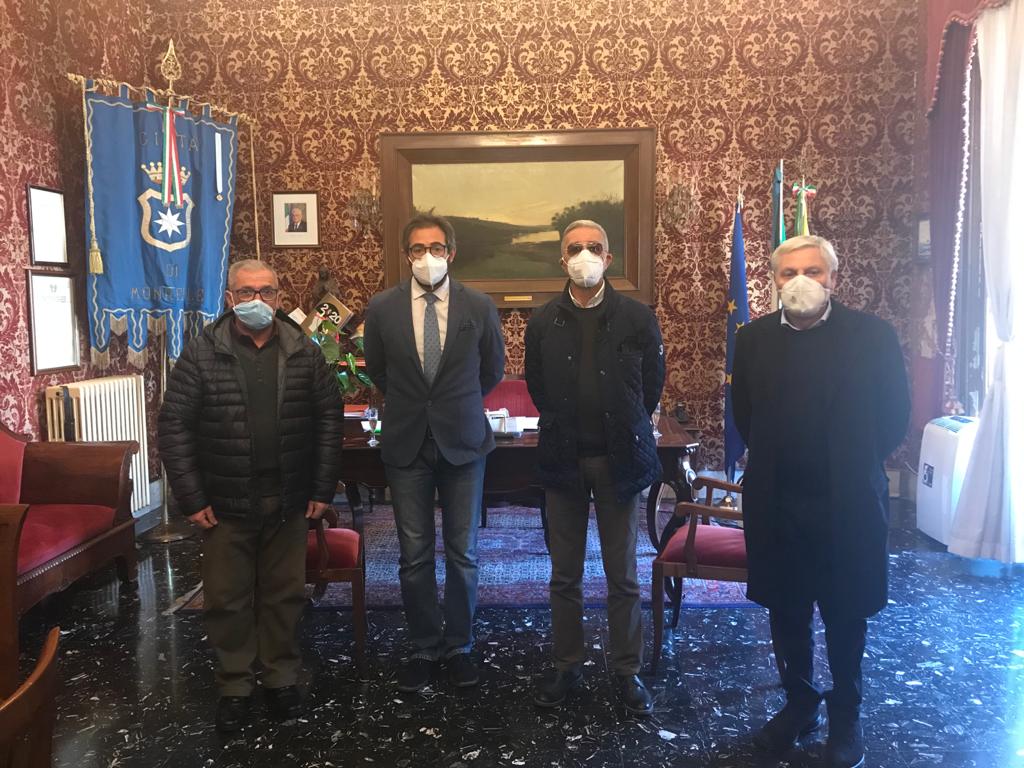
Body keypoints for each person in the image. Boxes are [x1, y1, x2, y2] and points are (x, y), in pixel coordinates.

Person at [732, 235, 910, 767]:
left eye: (813, 271)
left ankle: (846, 715)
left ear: (833, 277)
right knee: (786, 609)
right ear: (774, 280)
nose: (801, 281)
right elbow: (745, 414)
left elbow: (895, 416)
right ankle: (800, 703)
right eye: (789, 272)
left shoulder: (872, 335)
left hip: (846, 500)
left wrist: (853, 459)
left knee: (845, 610)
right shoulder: (753, 338)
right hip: (778, 499)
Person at [158, 259, 343, 733]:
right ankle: (235, 685)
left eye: (266, 292)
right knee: (227, 599)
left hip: (289, 497)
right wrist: (191, 496)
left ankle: (281, 678)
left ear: (279, 298)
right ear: (229, 299)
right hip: (224, 501)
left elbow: (328, 420)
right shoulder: (201, 353)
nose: (256, 300)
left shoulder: (304, 351)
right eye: (246, 292)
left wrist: (322, 488)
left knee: (284, 595)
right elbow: (174, 426)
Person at [524, 219, 665, 716]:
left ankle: (627, 670)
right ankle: (567, 664)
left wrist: (625, 422)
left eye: (594, 247)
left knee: (622, 572)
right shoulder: (543, 321)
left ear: (608, 258)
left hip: (619, 461)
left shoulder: (637, 317)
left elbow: (651, 386)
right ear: (562, 259)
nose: (584, 254)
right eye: (574, 247)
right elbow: (538, 388)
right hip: (563, 459)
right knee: (564, 573)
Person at [363, 213, 504, 692]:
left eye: (436, 247)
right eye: (418, 248)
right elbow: (379, 371)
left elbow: (492, 371)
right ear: (407, 255)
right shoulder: (382, 308)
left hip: (463, 441)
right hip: (406, 442)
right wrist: (416, 404)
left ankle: (460, 645)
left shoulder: (478, 306)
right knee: (414, 554)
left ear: (451, 252)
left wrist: (453, 404)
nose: (428, 256)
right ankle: (424, 645)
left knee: (464, 552)